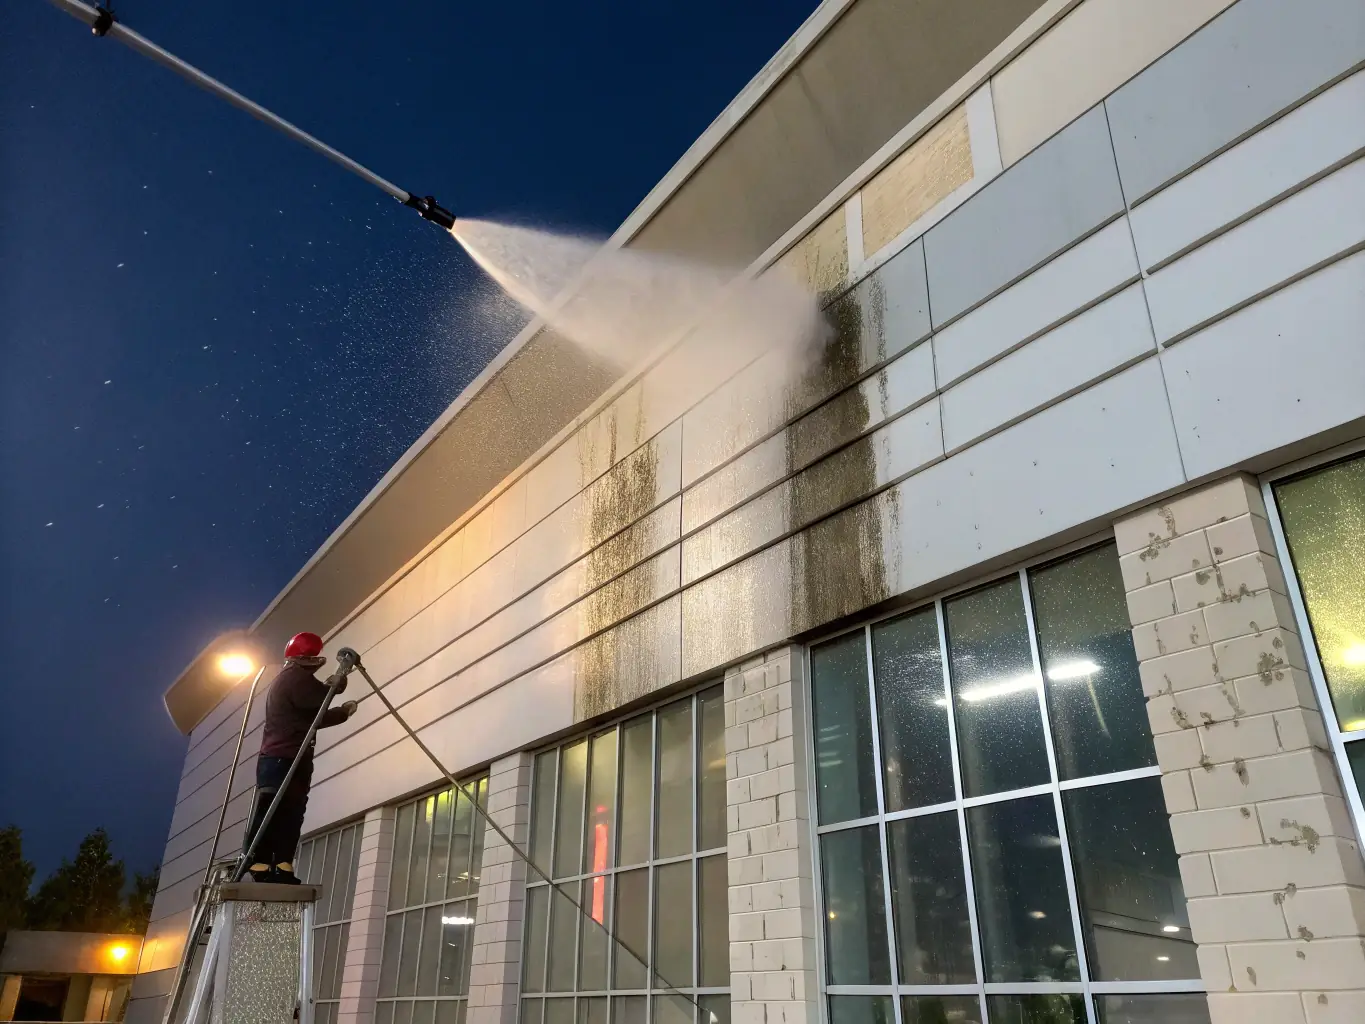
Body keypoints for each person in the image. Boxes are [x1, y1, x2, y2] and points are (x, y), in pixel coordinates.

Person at [242, 632, 357, 883]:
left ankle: (283, 864)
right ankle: (259, 863)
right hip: (281, 758)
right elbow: (317, 699)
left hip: (292, 758)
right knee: (273, 810)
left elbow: (313, 718)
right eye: (313, 655)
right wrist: (337, 682)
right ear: (305, 657)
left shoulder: (296, 683)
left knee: (292, 812)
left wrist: (341, 712)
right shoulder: (292, 678)